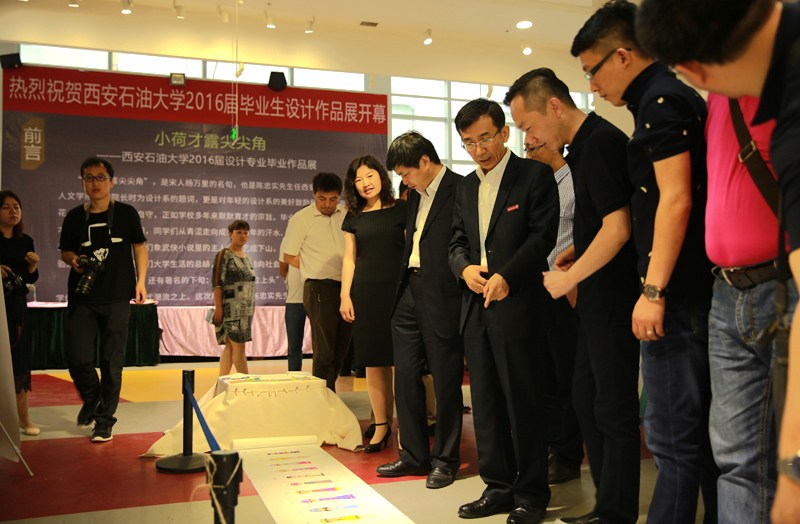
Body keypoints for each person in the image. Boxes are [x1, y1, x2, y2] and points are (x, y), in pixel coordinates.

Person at [634, 2, 800, 522]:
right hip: (727, 289)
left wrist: (795, 471)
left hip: (780, 284)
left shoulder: (786, 97)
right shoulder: (730, 93)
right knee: (734, 459)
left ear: (694, 67)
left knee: (759, 460)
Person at [571, 2, 719, 522]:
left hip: (677, 295)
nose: (593, 86)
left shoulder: (660, 100)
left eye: (592, 70)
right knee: (695, 442)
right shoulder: (664, 98)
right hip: (690, 289)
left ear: (623, 55)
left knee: (672, 440)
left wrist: (653, 291)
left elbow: (676, 200)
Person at [505, 69, 641, 524]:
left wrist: (570, 277)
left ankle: (617, 511)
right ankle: (607, 505)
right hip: (595, 295)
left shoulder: (599, 142)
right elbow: (603, 222)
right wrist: (577, 251)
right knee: (585, 398)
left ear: (555, 106)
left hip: (612, 296)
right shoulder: (581, 148)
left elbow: (619, 228)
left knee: (612, 407)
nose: (529, 139)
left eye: (528, 127)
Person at [448, 98, 559, 524]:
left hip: (518, 306)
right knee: (486, 404)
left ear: (504, 133)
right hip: (476, 307)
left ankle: (531, 494)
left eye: (486, 138)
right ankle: (497, 487)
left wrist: (507, 275)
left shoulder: (533, 175)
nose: (479, 150)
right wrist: (464, 268)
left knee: (523, 403)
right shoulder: (465, 186)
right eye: (469, 142)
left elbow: (542, 236)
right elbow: (456, 242)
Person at [375, 131, 465, 489]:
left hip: (442, 294)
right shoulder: (414, 195)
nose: (404, 181)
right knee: (407, 376)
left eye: (406, 173)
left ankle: (445, 460)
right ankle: (414, 455)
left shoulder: (461, 188)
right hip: (408, 292)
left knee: (445, 381)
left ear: (425, 161)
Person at [59, 157, 147, 443]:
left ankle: (104, 422)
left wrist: (141, 281)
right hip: (82, 296)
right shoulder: (74, 216)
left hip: (117, 296)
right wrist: (74, 260)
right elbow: (66, 251)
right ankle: (92, 397)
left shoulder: (126, 213)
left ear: (112, 181)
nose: (95, 182)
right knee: (78, 358)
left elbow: (139, 247)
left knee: (111, 363)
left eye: (100, 177)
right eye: (89, 177)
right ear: (82, 182)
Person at [523, 142, 584, 485]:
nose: (528, 153)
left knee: (567, 377)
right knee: (542, 375)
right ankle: (551, 445)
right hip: (534, 288)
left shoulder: (574, 180)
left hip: (566, 289)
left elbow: (591, 233)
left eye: (532, 147)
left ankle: (569, 455)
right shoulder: (533, 183)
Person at [339, 155, 407, 452]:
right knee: (375, 362)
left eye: (370, 176)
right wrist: (345, 295)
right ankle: (381, 425)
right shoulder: (353, 217)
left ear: (381, 176)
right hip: (365, 293)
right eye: (358, 179)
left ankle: (407, 427)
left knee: (404, 362)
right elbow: (349, 259)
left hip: (400, 293)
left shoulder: (402, 209)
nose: (365, 183)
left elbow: (412, 253)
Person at [283, 172, 352, 392]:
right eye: (322, 199)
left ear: (340, 195)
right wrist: (311, 267)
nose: (327, 205)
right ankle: (323, 398)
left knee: (342, 346)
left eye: (333, 199)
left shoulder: (347, 215)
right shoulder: (301, 219)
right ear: (313, 193)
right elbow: (288, 255)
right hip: (318, 287)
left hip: (347, 287)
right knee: (324, 348)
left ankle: (329, 392)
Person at [0, 190, 40, 436]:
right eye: (6, 207)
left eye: (16, 206)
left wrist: (32, 265)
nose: (13, 211)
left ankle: (23, 418)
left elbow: (29, 279)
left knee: (19, 363)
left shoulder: (25, 240)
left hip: (16, 306)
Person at [212, 220, 255, 377]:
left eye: (245, 233)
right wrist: (219, 307)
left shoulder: (248, 258)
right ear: (230, 234)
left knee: (230, 347)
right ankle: (247, 384)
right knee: (239, 348)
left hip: (246, 311)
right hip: (231, 310)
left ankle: (221, 382)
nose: (243, 236)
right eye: (239, 232)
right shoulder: (224, 254)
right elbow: (217, 283)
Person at [279, 235, 307, 373]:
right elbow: (283, 270)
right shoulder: (287, 241)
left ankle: (321, 378)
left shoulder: (317, 239)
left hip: (316, 298)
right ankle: (294, 376)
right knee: (294, 346)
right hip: (294, 300)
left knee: (321, 345)